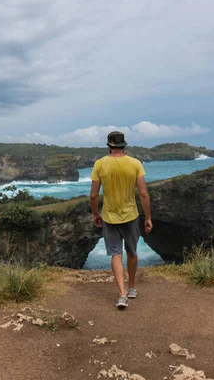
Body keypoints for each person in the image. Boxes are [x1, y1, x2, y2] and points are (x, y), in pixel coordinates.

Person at [89, 131, 152, 309]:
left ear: (109, 145)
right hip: (131, 216)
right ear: (124, 145)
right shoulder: (135, 163)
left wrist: (95, 214)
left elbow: (94, 195)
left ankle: (122, 295)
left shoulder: (100, 164)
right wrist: (148, 217)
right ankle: (131, 288)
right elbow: (143, 193)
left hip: (109, 216)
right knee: (132, 252)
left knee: (116, 254)